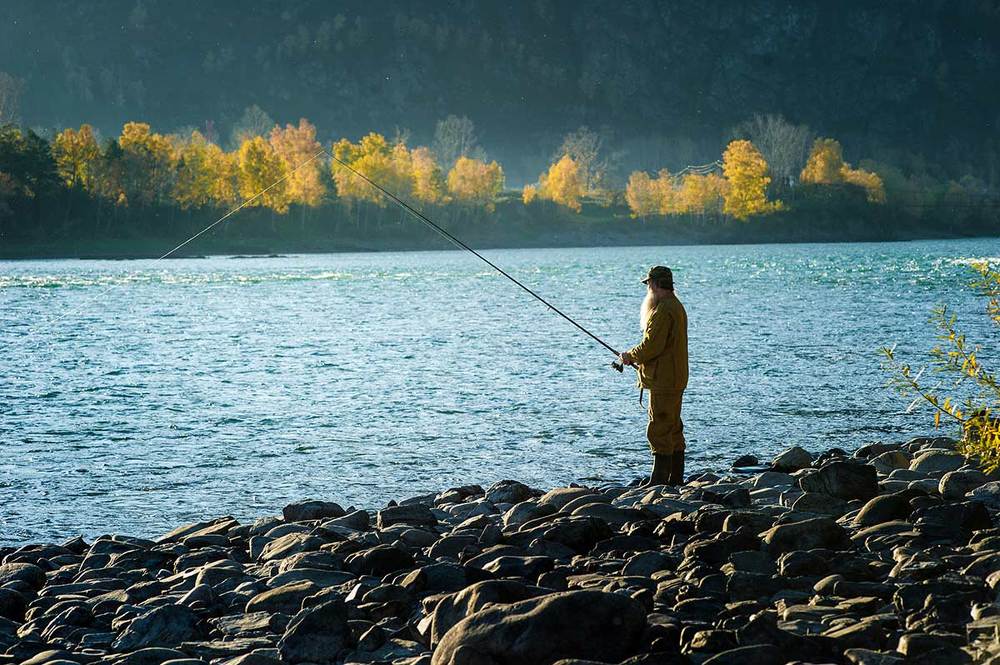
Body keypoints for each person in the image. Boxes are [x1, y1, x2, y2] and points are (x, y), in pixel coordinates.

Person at [619, 266, 689, 486]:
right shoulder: (676, 306)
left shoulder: (662, 310)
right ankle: (675, 478)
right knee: (673, 426)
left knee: (659, 426)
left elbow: (651, 346)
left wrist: (629, 355)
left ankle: (659, 481)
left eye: (649, 284)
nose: (648, 288)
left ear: (656, 285)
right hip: (675, 377)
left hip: (664, 380)